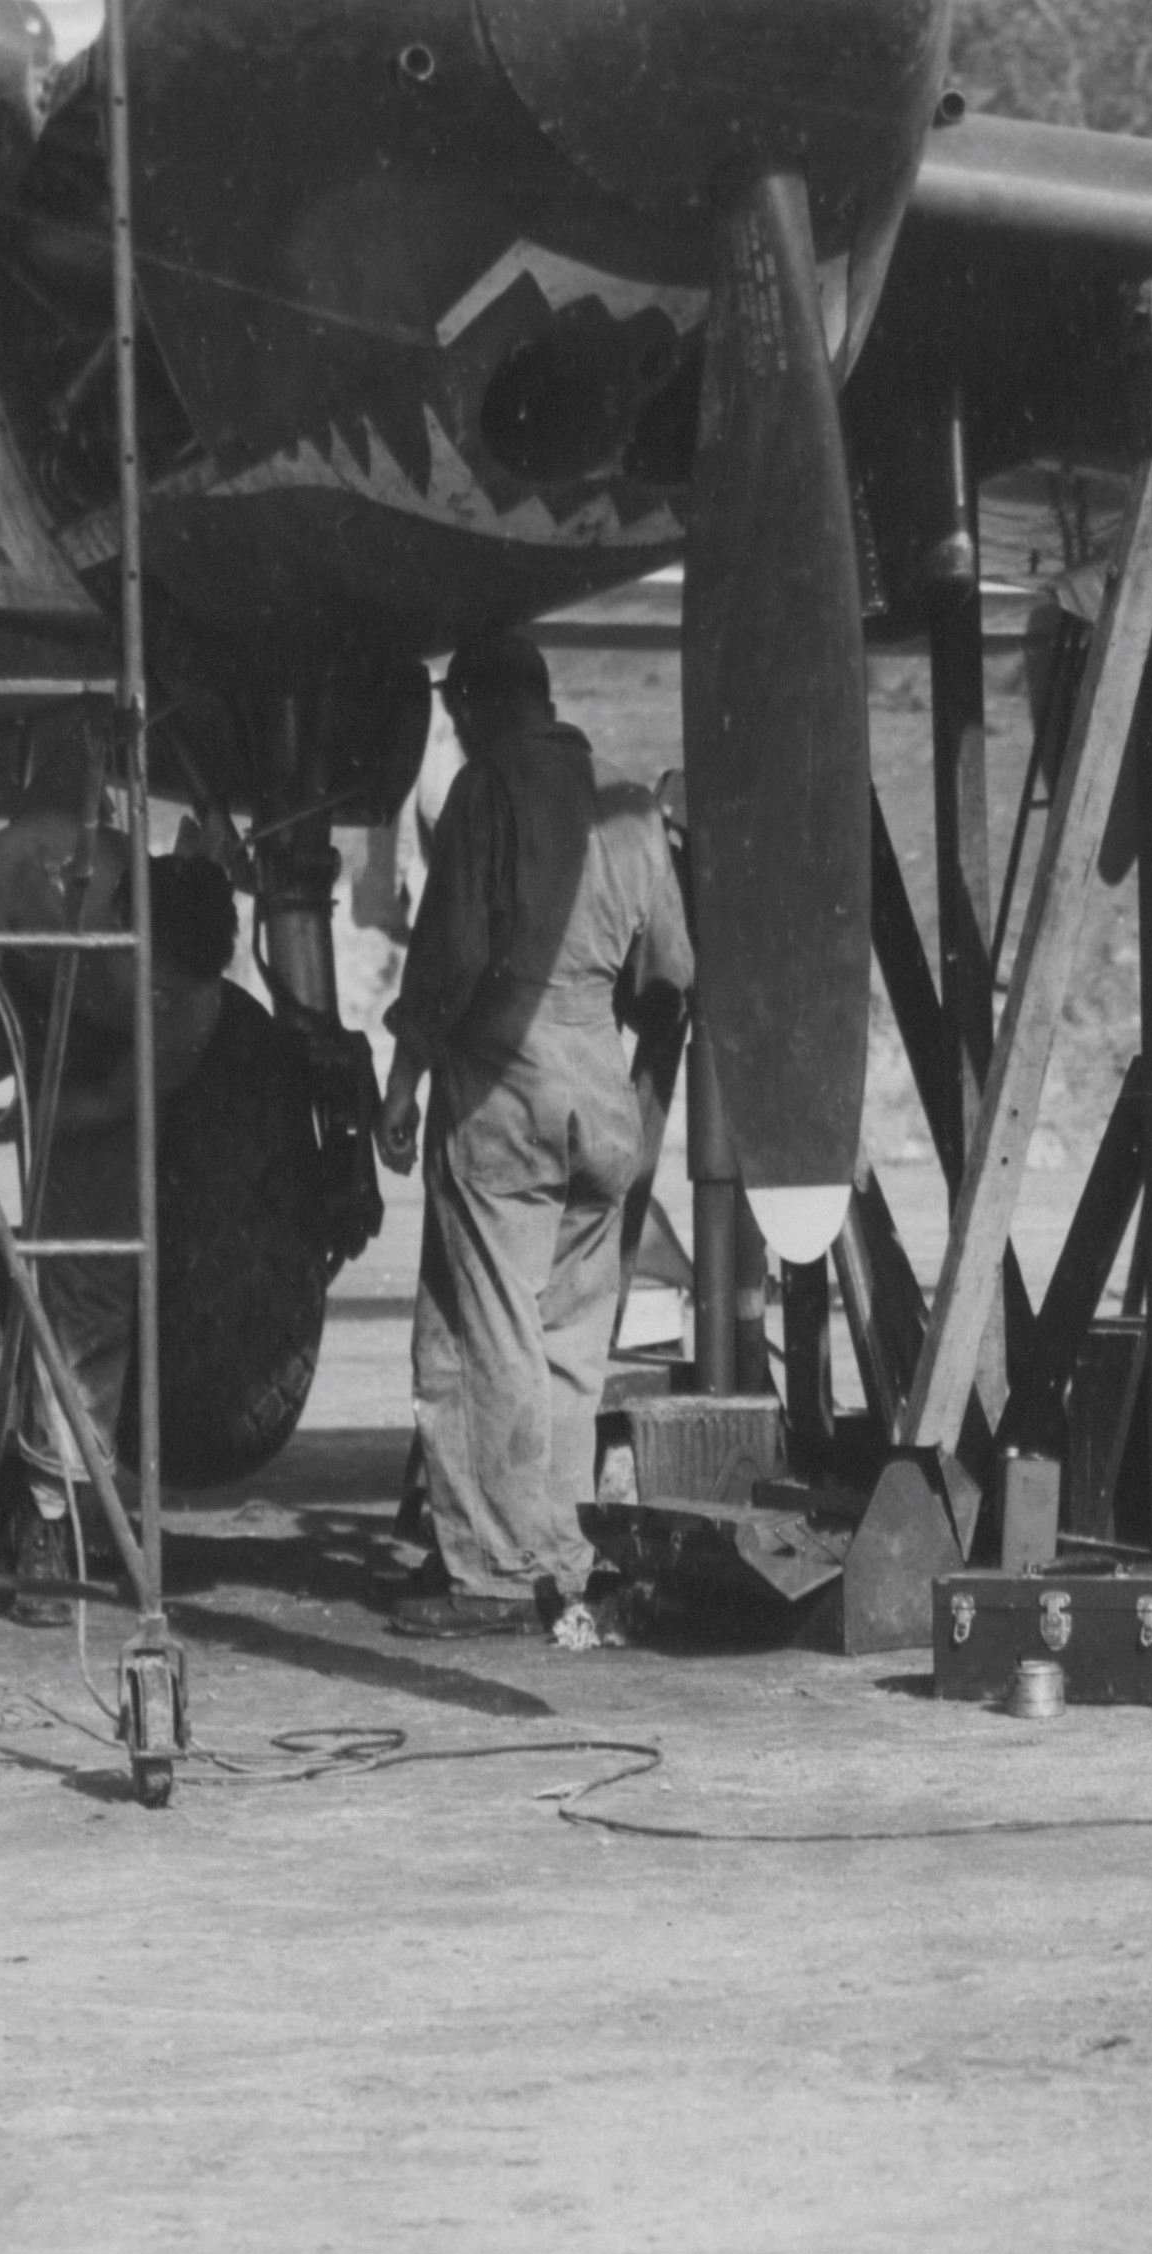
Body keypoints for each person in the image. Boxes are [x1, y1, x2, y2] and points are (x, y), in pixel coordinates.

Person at [375, 628, 691, 1641]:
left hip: (502, 1103)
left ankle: (496, 1575)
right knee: (565, 1343)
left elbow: (451, 953)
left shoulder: (487, 792)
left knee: (477, 1340)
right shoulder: (631, 805)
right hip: (603, 1110)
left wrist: (403, 1078)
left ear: (471, 709)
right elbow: (673, 977)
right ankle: (555, 1554)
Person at [0, 846, 235, 1618]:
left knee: (87, 1318)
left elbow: (112, 1103)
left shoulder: (187, 1011)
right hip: (50, 1033)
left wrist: (16, 1116)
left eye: (170, 982)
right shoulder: (76, 907)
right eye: (150, 970)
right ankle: (47, 1486)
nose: (161, 991)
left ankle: (48, 1512)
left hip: (104, 1144)